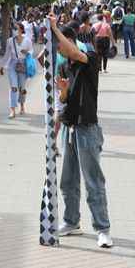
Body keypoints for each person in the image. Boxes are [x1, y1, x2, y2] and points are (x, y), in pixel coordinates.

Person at [50, 15, 112, 248]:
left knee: (93, 182)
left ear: (69, 42)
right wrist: (63, 91)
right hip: (69, 128)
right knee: (68, 180)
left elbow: (74, 52)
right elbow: (64, 100)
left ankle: (102, 228)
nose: (59, 50)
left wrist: (55, 29)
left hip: (87, 129)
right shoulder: (64, 66)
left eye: (60, 45)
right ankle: (71, 221)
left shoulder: (89, 59)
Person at [0, 22, 33, 118]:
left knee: (21, 88)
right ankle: (12, 110)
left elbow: (31, 51)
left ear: (21, 30)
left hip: (23, 65)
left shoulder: (27, 40)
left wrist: (27, 52)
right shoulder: (10, 41)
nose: (14, 30)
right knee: (13, 87)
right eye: (13, 28)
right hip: (12, 65)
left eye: (16, 28)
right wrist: (2, 66)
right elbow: (7, 55)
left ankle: (22, 105)